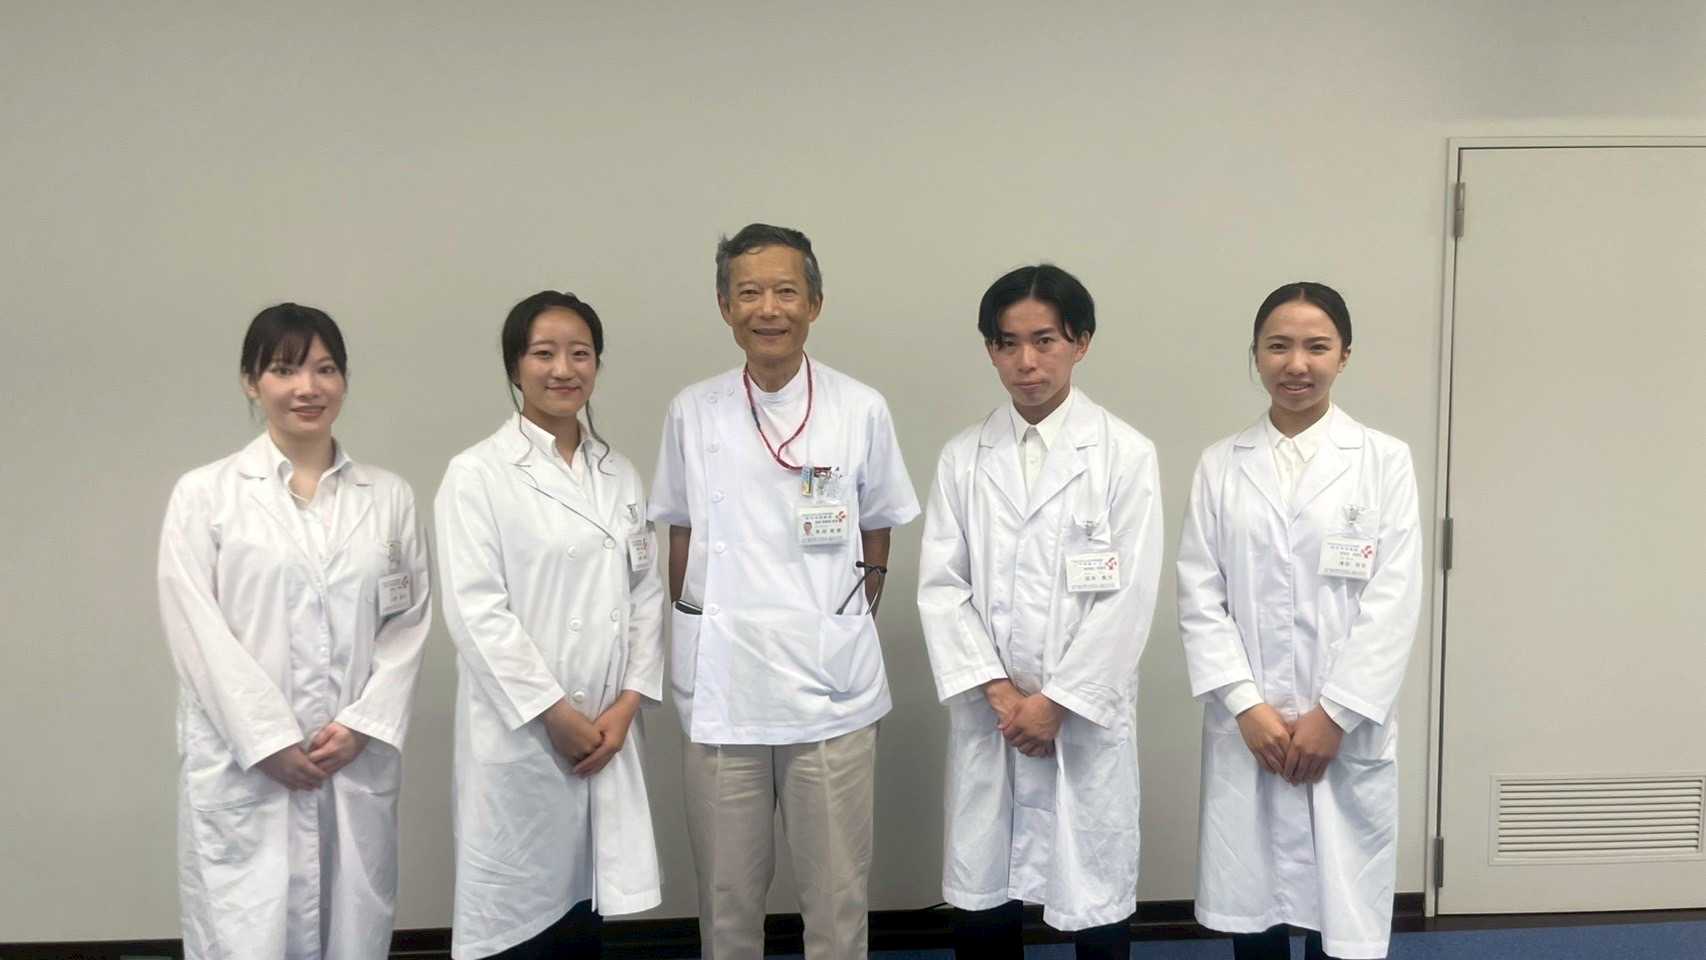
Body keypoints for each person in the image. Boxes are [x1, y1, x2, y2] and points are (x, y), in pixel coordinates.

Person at [651, 223, 920, 960]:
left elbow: (879, 523)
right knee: (726, 899)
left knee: (836, 899)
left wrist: (848, 616)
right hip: (725, 685)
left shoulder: (859, 406)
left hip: (829, 689)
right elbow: (679, 529)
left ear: (815, 303)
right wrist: (696, 621)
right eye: (749, 293)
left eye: (785, 291)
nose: (768, 309)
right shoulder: (692, 409)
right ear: (724, 307)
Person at [157, 303, 431, 959]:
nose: (307, 388)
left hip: (349, 757)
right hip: (245, 765)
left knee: (351, 929)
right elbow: (196, 631)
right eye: (284, 370)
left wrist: (363, 725)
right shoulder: (206, 495)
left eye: (325, 369)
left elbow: (407, 621)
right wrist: (267, 739)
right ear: (251, 382)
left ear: (345, 380)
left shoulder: (388, 496)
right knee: (245, 933)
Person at [917, 264, 1162, 959]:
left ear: (1080, 342)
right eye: (1008, 343)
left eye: (1045, 340)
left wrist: (1056, 703)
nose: (1026, 362)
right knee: (983, 890)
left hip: (1081, 718)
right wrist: (1000, 694)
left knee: (1092, 889)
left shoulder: (1124, 454)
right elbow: (942, 586)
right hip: (992, 716)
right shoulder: (963, 457)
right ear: (990, 350)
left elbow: (1129, 597)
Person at [1176, 282, 1423, 960]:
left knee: (1336, 917)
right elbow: (1199, 595)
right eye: (1278, 346)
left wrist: (1334, 715)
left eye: (1317, 347)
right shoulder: (1221, 465)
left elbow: (1394, 598)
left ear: (1345, 356)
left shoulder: (1383, 461)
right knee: (1255, 917)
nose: (1296, 364)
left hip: (1342, 728)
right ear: (1255, 355)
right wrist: (1245, 706)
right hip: (1251, 728)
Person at [435, 291, 666, 959]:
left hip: (605, 732)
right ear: (515, 366)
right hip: (528, 735)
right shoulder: (477, 474)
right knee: (519, 922)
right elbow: (477, 612)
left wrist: (627, 705)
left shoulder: (618, 473)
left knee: (582, 916)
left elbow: (646, 592)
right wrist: (554, 714)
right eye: (544, 353)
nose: (563, 369)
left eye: (580, 354)